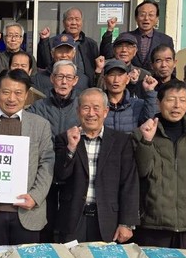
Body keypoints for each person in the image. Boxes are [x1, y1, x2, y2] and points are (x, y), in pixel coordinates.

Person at [0, 69, 54, 247]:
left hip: (28, 210)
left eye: (18, 93)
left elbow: (47, 163)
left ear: (27, 95)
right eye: (6, 92)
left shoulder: (40, 125)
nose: (11, 98)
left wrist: (35, 196)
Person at [132, 80, 186, 253]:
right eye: (170, 100)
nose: (177, 105)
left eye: (182, 100)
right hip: (153, 224)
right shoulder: (142, 133)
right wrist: (146, 141)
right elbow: (140, 172)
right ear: (158, 102)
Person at [54, 88, 138, 243]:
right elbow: (60, 175)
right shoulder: (65, 139)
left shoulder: (121, 141)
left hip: (107, 219)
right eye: (86, 108)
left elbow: (129, 183)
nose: (91, 113)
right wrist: (71, 148)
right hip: (73, 219)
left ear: (105, 112)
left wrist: (126, 223)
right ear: (78, 111)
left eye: (96, 108)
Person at [27, 59, 81, 242]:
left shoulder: (81, 108)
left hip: (72, 177)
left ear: (75, 80)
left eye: (68, 77)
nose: (64, 82)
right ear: (52, 78)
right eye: (59, 76)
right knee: (45, 230)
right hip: (45, 176)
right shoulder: (38, 107)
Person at [100, 1, 174, 71]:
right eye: (142, 15)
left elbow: (171, 64)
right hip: (130, 78)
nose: (146, 18)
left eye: (151, 15)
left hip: (155, 79)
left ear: (157, 18)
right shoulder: (126, 37)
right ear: (136, 18)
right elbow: (107, 54)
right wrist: (110, 30)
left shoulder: (166, 40)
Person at [37, 7, 101, 83]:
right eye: (70, 19)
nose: (74, 23)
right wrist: (44, 41)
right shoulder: (52, 42)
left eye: (77, 19)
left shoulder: (91, 44)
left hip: (84, 85)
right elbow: (43, 64)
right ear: (64, 22)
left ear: (82, 22)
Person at [102, 59, 158, 133]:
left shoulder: (137, 104)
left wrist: (149, 91)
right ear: (104, 79)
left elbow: (149, 121)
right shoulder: (98, 105)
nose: (116, 80)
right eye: (112, 75)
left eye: (120, 75)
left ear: (127, 79)